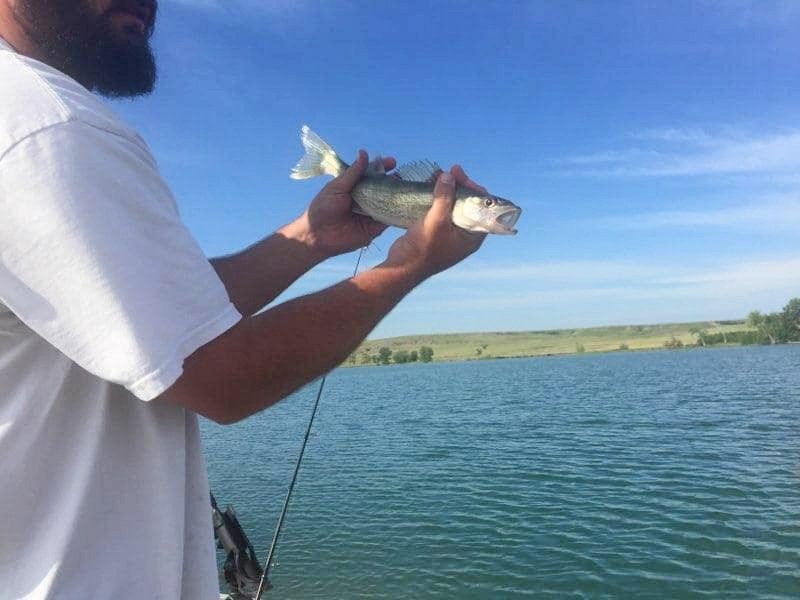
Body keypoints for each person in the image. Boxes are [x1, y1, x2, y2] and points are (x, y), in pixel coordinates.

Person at [0, 0, 486, 598]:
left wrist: (311, 238)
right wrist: (409, 264)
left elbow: (171, 317)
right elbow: (220, 374)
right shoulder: (45, 124)